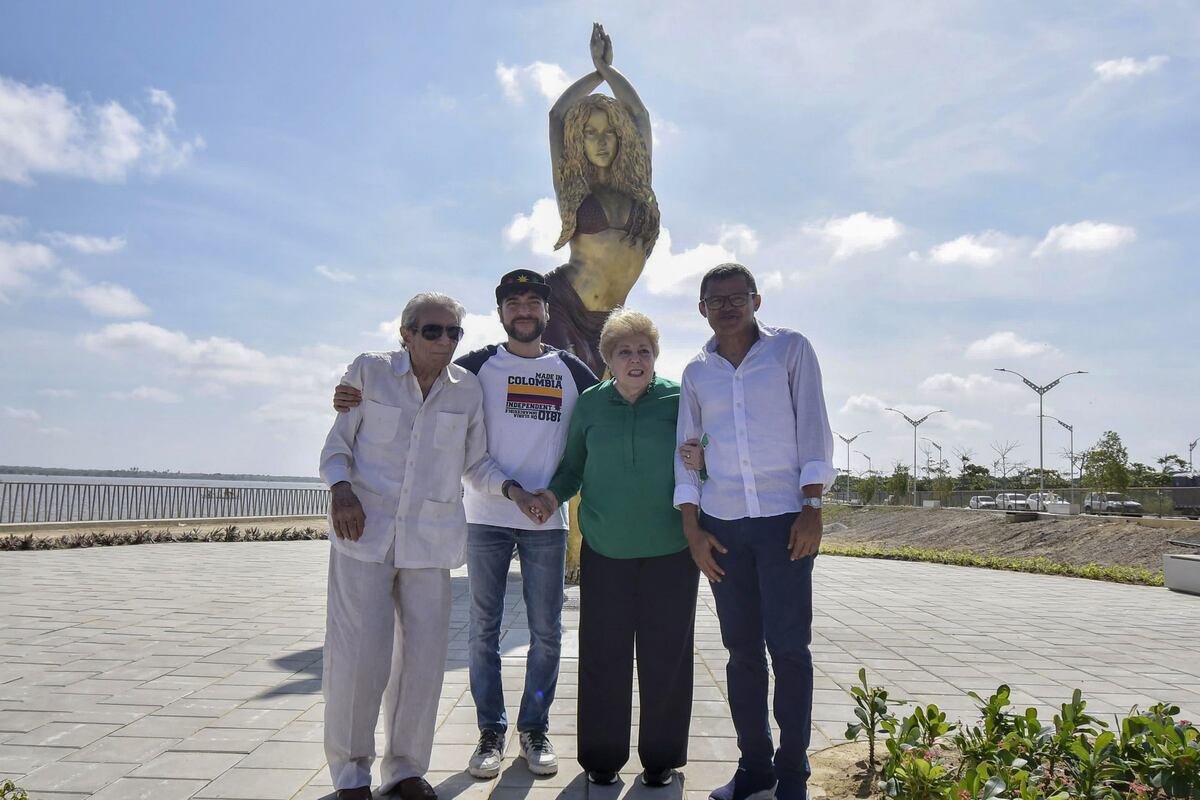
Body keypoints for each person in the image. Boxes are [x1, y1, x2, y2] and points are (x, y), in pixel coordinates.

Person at [332, 269, 598, 780]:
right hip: (485, 519)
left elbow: (609, 413)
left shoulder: (572, 369)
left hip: (547, 520)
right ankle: (490, 732)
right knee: (483, 632)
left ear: (547, 313)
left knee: (547, 633)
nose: (524, 310)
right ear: (500, 314)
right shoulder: (475, 366)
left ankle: (534, 728)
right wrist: (346, 395)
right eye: (513, 302)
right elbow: (414, 378)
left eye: (533, 303)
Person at [674, 264, 836, 800]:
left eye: (736, 297)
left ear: (756, 300)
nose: (726, 307)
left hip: (784, 523)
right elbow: (688, 455)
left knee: (789, 648)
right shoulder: (697, 373)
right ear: (701, 309)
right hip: (722, 529)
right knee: (741, 651)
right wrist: (693, 528)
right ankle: (754, 768)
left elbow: (812, 426)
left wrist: (812, 504)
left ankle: (793, 773)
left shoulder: (790, 351)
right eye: (714, 300)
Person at [319, 292, 489, 800]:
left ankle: (406, 770)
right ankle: (351, 775)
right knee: (359, 659)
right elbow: (336, 448)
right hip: (363, 535)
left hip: (431, 543)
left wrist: (520, 493)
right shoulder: (369, 373)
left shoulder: (468, 391)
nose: (444, 341)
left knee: (423, 661)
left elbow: (476, 465)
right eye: (432, 331)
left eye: (454, 332)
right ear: (406, 334)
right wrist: (340, 490)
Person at [529, 309, 704, 788]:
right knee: (604, 656)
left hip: (671, 551)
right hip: (605, 551)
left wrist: (704, 458)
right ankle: (602, 759)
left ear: (655, 357)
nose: (635, 359)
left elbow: (705, 453)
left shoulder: (678, 399)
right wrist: (550, 495)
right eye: (624, 351)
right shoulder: (589, 404)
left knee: (666, 657)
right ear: (608, 359)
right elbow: (572, 468)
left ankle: (661, 759)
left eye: (644, 350)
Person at [541, 23, 660, 376]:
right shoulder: (574, 189)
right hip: (562, 303)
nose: (602, 141)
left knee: (608, 402)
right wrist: (596, 73)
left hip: (612, 318)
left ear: (622, 137)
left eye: (610, 131)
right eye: (591, 133)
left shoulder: (639, 187)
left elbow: (639, 114)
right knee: (564, 393)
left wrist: (609, 69)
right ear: (580, 140)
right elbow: (557, 115)